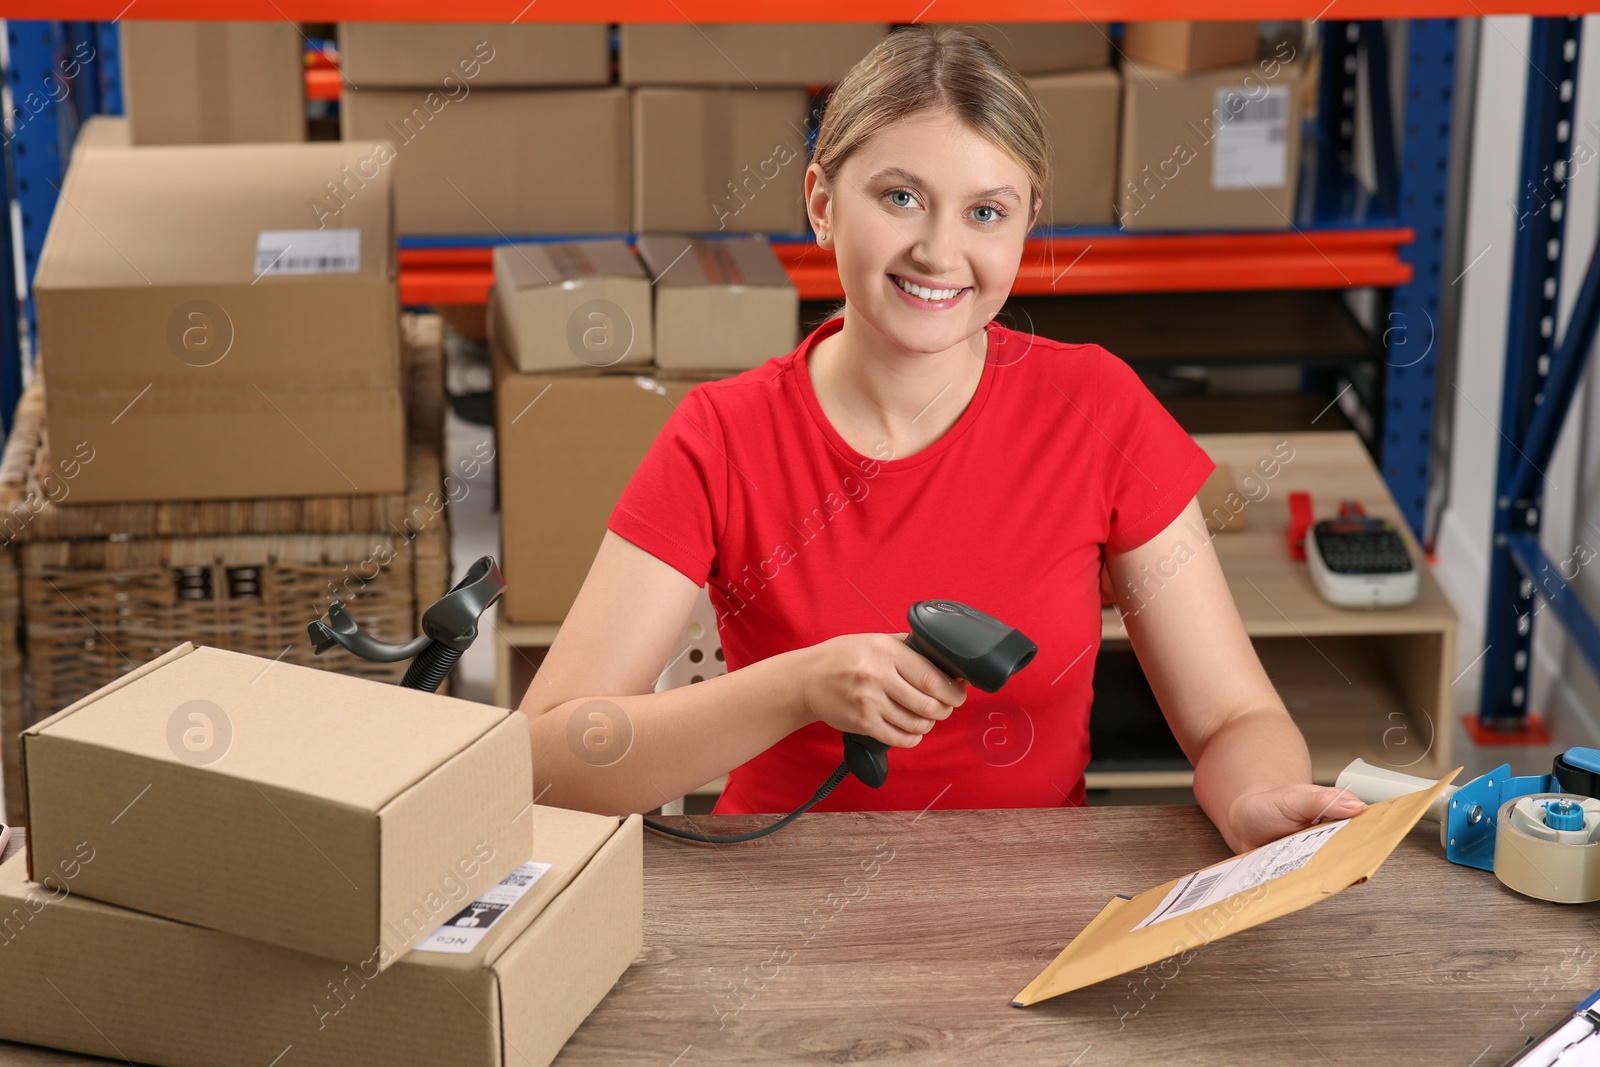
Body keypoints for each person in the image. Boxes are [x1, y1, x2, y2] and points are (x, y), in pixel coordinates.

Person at [523, 24, 1363, 853]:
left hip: (1029, 909)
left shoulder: (1095, 404)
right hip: (776, 909)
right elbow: (548, 759)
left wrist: (1255, 800)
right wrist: (799, 687)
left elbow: (1234, 718)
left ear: (1027, 221)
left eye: (986, 212)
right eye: (899, 198)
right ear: (821, 203)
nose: (938, 251)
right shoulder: (722, 435)